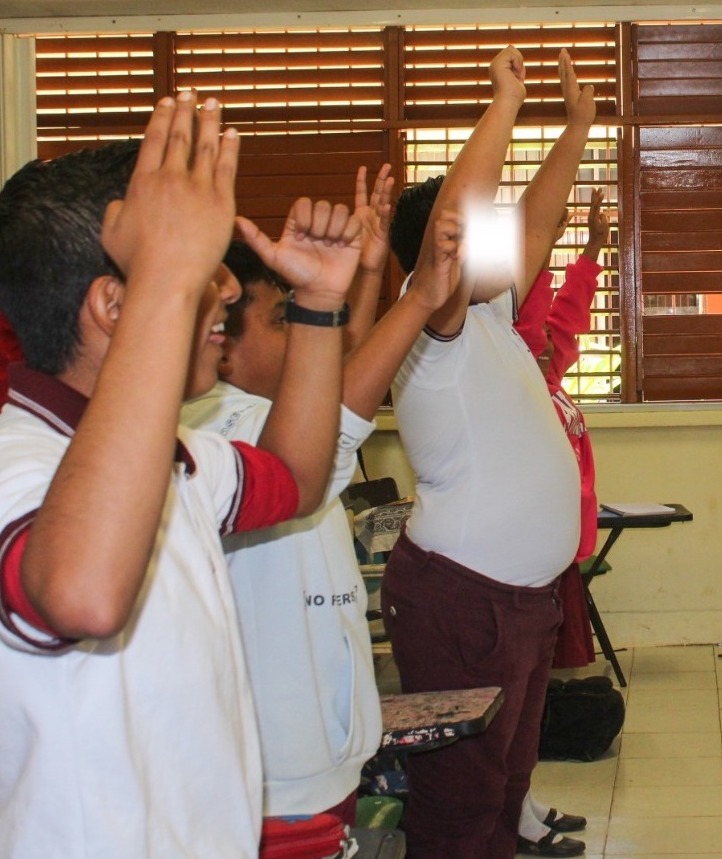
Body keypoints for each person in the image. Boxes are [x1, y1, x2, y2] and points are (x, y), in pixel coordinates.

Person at [0, 92, 358, 857]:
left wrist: (320, 304)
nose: (228, 288)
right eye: (202, 267)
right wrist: (167, 280)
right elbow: (83, 595)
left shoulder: (180, 456)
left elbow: (296, 474)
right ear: (113, 303)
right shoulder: (16, 467)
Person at [179, 168, 464, 849]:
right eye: (285, 319)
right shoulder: (222, 429)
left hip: (319, 756)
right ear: (222, 344)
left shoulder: (265, 412)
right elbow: (339, 409)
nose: (307, 333)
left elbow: (334, 370)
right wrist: (418, 295)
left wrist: (361, 279)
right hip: (276, 771)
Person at [380, 45, 591, 859]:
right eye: (477, 232)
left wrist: (575, 126)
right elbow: (452, 230)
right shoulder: (430, 328)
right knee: (462, 803)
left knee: (505, 785)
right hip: (464, 601)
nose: (504, 241)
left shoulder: (490, 321)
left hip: (520, 601)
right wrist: (503, 105)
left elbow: (535, 223)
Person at [512, 190, 610, 857]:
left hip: (557, 559)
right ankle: (511, 810)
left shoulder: (552, 376)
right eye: (540, 331)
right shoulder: (514, 383)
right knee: (518, 692)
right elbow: (535, 308)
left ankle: (523, 803)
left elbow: (566, 312)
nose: (555, 337)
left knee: (534, 692)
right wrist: (542, 251)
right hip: (521, 562)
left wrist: (594, 251)